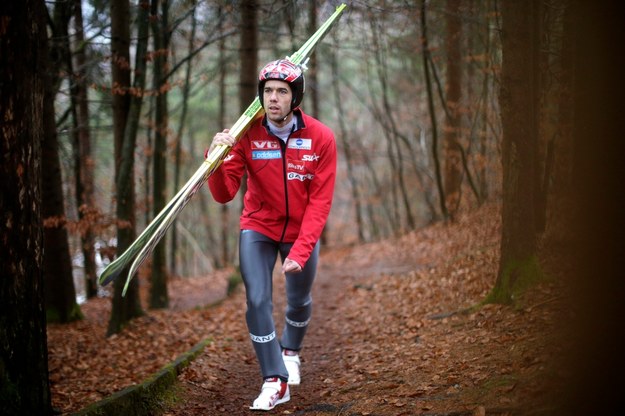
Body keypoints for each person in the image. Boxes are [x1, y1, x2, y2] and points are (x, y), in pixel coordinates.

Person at [207, 59, 337, 411]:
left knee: (298, 298)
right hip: (258, 227)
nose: (273, 98)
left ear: (296, 97)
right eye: (268, 91)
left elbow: (320, 202)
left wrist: (302, 249)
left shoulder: (321, 138)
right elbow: (223, 194)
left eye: (282, 91)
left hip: (300, 231)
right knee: (257, 300)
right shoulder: (247, 133)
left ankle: (291, 350)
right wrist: (215, 161)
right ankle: (275, 379)